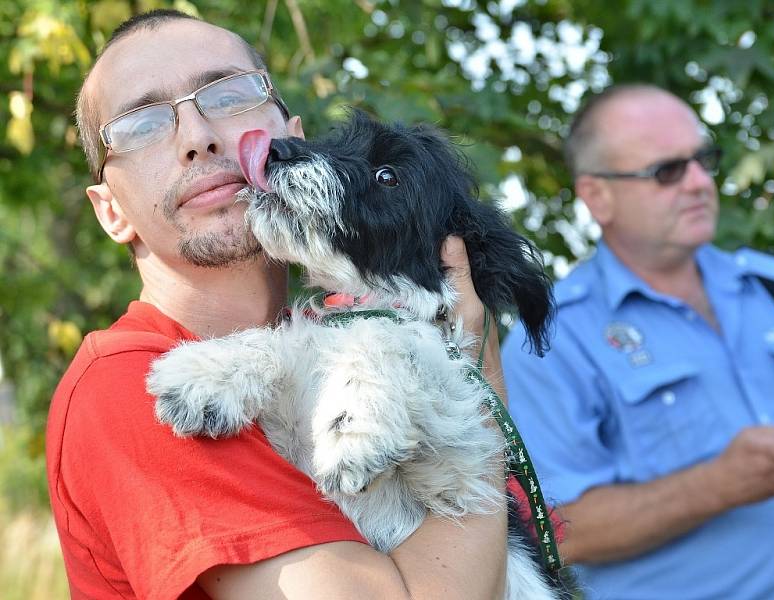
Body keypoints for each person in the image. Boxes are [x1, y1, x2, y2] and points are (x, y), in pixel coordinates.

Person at [46, 10, 512, 599]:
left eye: (228, 93)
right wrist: (476, 380)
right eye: (140, 124)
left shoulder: (364, 356)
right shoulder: (125, 386)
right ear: (109, 209)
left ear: (290, 138)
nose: (198, 136)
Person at [501, 83, 774, 599]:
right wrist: (718, 484)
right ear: (598, 196)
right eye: (667, 171)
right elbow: (553, 533)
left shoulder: (771, 284)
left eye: (704, 160)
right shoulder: (551, 338)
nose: (700, 183)